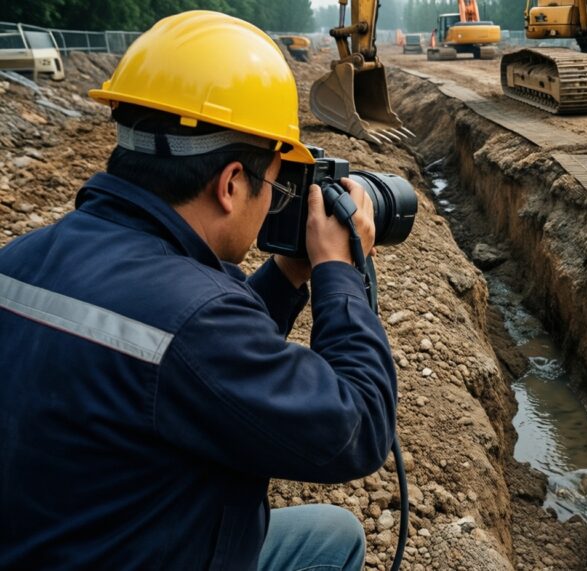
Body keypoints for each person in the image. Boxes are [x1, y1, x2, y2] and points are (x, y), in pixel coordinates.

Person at [0, 10, 396, 570]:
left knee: (328, 535)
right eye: (275, 184)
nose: (275, 202)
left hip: (67, 537)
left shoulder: (18, 259)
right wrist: (337, 268)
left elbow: (181, 353)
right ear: (232, 183)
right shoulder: (193, 321)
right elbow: (356, 424)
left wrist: (288, 276)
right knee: (334, 541)